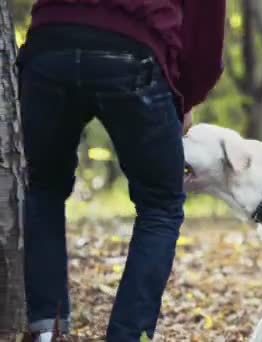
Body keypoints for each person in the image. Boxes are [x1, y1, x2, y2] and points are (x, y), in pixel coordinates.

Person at [17, 1, 226, 341]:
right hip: (133, 48)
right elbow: (207, 26)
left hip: (50, 43)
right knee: (161, 205)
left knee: (43, 190)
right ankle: (128, 336)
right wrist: (186, 97)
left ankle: (45, 331)